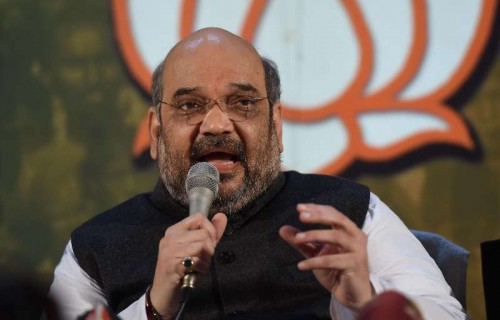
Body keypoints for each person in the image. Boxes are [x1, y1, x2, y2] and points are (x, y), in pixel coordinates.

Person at [47, 27, 466, 320]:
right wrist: (154, 307)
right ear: (156, 132)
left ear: (276, 126)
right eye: (190, 106)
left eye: (243, 104)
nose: (215, 125)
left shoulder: (348, 212)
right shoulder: (93, 248)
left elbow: (446, 313)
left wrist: (364, 301)